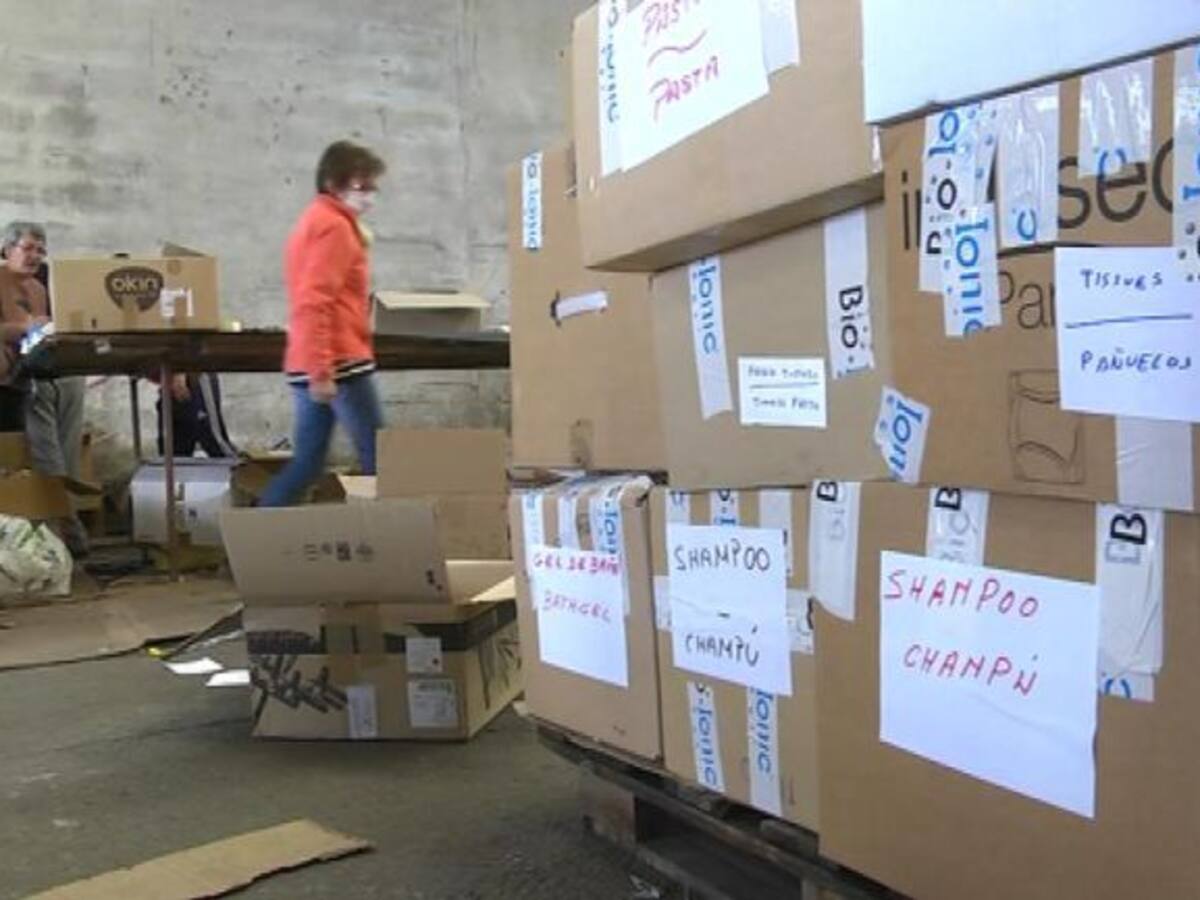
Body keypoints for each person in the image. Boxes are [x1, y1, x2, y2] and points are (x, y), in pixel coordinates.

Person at [259, 141, 386, 507]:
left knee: (307, 463)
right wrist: (322, 371)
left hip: (309, 360)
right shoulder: (335, 228)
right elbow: (315, 301)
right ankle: (393, 534)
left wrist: (314, 367)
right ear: (333, 183)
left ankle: (255, 530)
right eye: (361, 185)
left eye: (372, 185)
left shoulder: (313, 221)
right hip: (339, 361)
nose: (369, 195)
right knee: (381, 459)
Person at [0, 222, 88, 554]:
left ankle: (65, 503)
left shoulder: (39, 288)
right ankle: (62, 519)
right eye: (28, 248)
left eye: (41, 250)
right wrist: (25, 328)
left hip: (41, 367)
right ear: (7, 249)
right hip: (12, 377)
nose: (35, 256)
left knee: (73, 385)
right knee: (44, 443)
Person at [155, 372, 238, 458]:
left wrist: (179, 372)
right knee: (171, 453)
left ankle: (237, 463)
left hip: (194, 374)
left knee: (214, 441)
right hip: (169, 376)